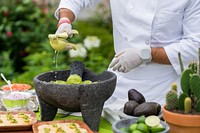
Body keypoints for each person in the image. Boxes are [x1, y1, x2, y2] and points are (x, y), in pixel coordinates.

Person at [54, 0, 200, 108]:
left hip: (164, 90)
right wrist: (64, 20)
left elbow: (195, 45)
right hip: (119, 81)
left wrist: (146, 54)